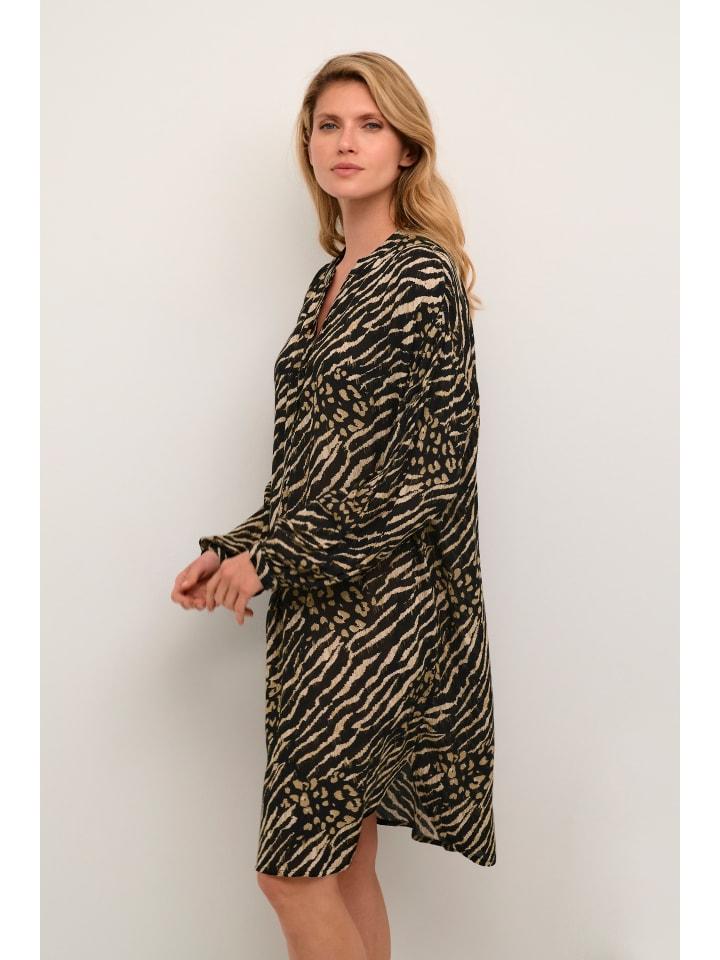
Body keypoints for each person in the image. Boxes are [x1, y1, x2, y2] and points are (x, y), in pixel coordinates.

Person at [170, 51, 496, 960]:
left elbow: (430, 476)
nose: (346, 142)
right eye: (328, 125)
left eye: (370, 125)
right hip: (316, 614)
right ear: (309, 147)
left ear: (406, 148)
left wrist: (272, 559)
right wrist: (232, 548)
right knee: (344, 861)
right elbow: (312, 474)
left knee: (290, 875)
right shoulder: (328, 282)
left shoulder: (420, 276)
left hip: (381, 620)